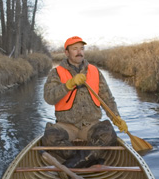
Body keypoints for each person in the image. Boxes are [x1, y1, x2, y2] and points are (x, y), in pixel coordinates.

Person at [43, 36, 128, 168]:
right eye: (75, 49)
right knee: (50, 136)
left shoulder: (95, 71)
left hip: (91, 124)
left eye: (81, 48)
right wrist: (68, 85)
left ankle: (71, 164)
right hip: (67, 125)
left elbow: (107, 99)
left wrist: (116, 117)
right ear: (66, 52)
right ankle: (87, 159)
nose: (79, 52)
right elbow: (49, 97)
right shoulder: (56, 73)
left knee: (108, 133)